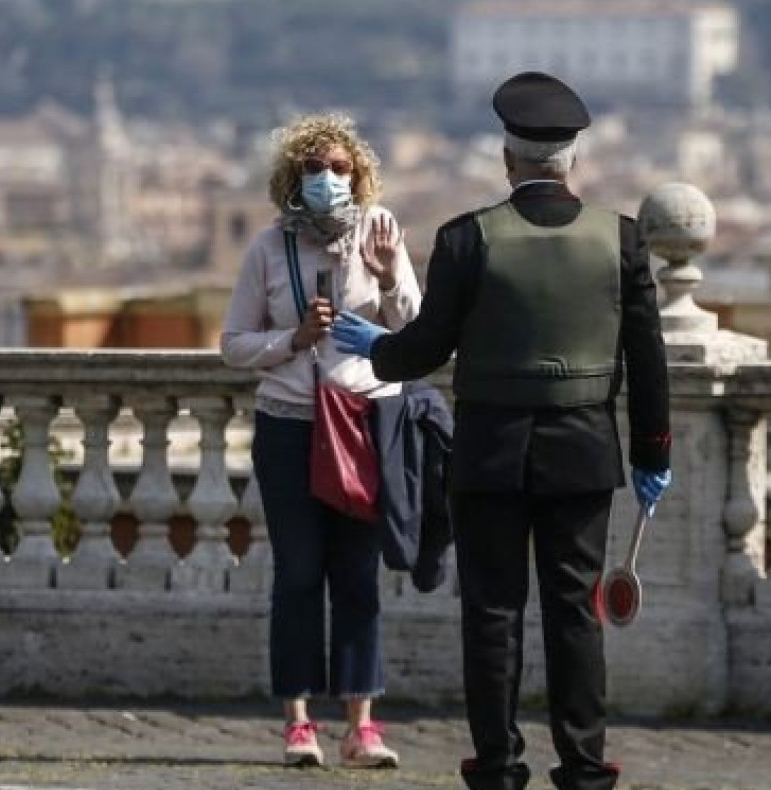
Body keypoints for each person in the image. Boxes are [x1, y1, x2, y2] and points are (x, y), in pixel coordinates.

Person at [333, 72, 673, 790]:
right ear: (573, 159)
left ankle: (496, 765)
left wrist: (374, 347)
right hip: (583, 453)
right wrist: (652, 454)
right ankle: (584, 765)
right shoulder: (622, 241)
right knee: (576, 614)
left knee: (492, 614)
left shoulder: (467, 238)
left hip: (488, 453)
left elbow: (425, 349)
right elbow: (648, 362)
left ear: (508, 158)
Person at [219, 113, 421, 770]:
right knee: (299, 574)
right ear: (292, 177)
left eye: (339, 168)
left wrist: (389, 277)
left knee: (357, 578)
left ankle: (362, 727)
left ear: (358, 174)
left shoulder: (382, 231)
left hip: (364, 421)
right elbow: (233, 344)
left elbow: (415, 330)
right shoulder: (268, 250)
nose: (327, 179)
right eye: (314, 168)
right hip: (290, 426)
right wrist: (294, 340)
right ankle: (298, 723)